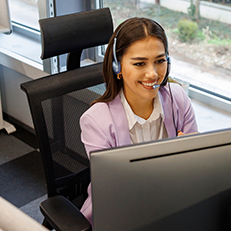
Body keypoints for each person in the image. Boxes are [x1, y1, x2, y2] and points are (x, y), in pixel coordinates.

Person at [79, 17, 198, 224]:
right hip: (120, 214)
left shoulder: (177, 98)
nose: (152, 74)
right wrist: (176, 163)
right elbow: (120, 190)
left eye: (160, 61)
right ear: (118, 67)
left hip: (173, 205)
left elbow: (197, 164)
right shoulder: (96, 120)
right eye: (140, 63)